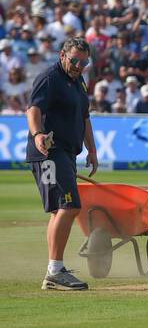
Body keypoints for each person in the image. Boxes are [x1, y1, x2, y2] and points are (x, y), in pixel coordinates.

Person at [25, 37, 98, 290]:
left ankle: (54, 269)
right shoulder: (50, 78)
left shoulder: (78, 81)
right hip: (49, 151)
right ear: (62, 55)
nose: (79, 65)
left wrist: (92, 149)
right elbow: (33, 109)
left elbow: (84, 116)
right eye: (75, 60)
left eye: (84, 62)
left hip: (67, 153)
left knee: (60, 210)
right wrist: (37, 135)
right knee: (69, 206)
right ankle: (55, 272)